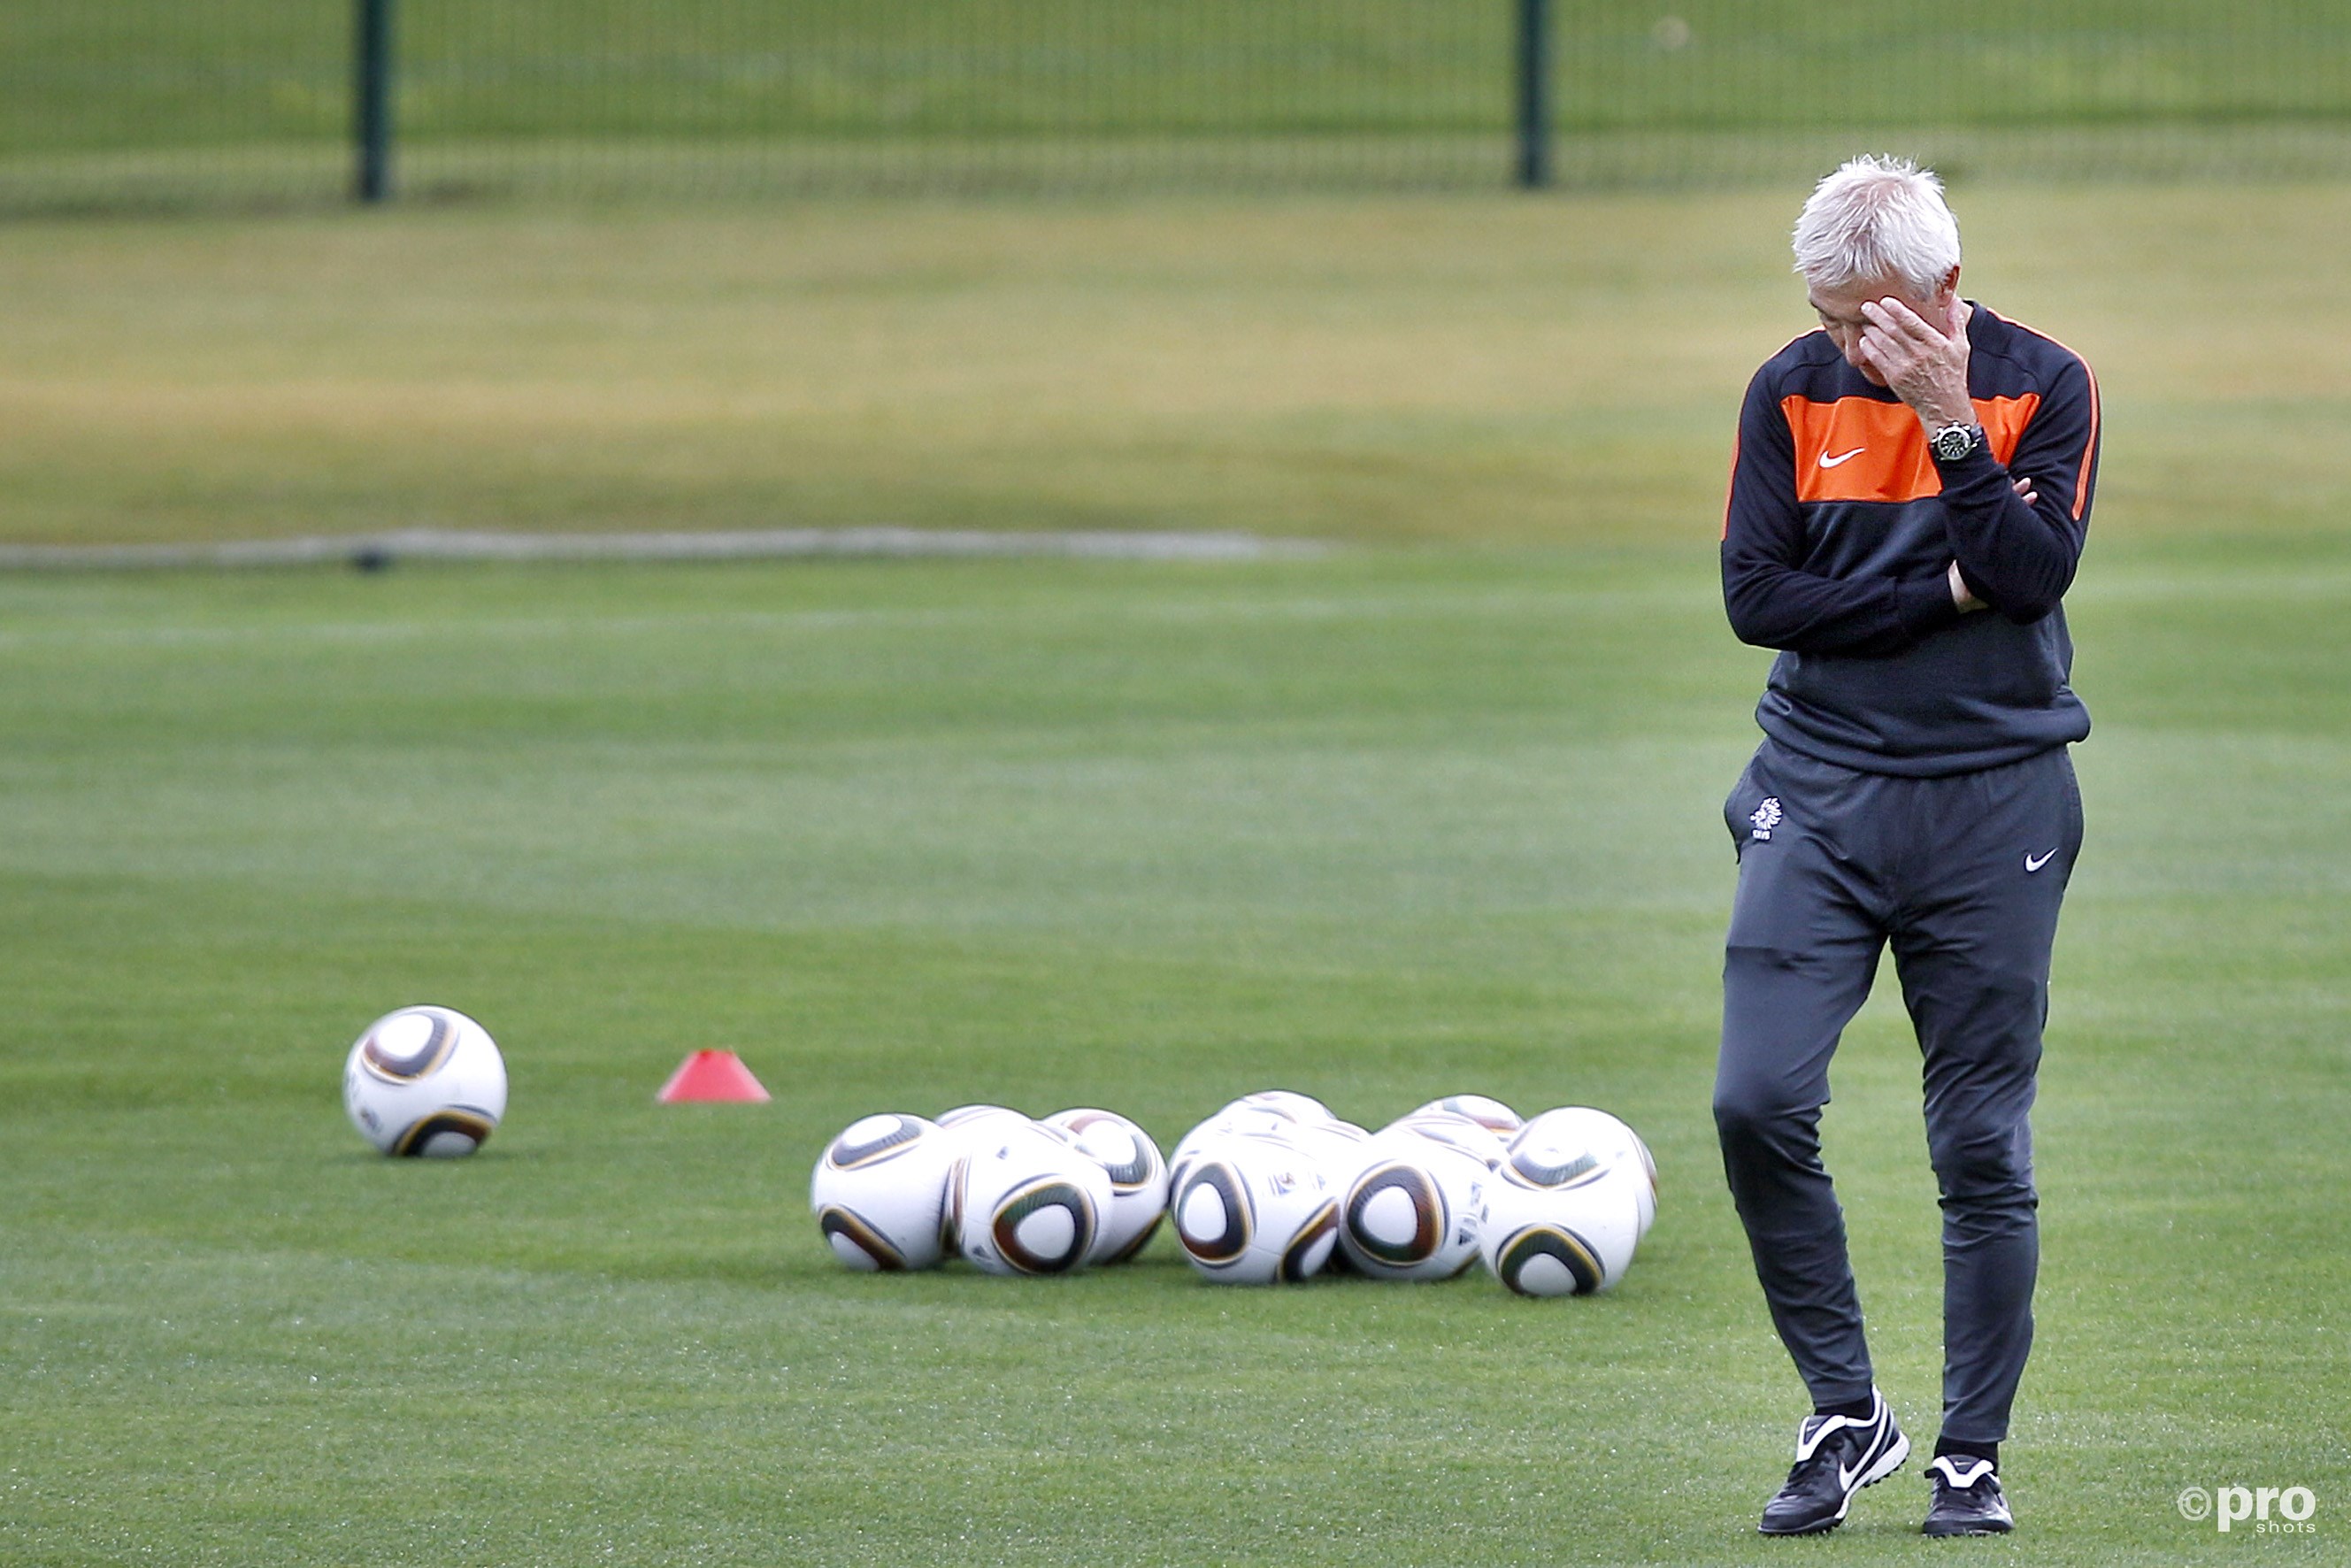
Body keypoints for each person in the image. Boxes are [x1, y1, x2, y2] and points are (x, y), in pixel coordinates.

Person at [1714, 153, 2101, 1538]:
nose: (1842, 347)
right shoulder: (1785, 390)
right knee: (1753, 1102)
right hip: (1814, 791)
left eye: (1867, 319)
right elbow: (1757, 598)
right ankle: (1843, 1411)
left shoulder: (2042, 383)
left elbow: (2033, 575)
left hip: (1995, 800)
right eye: (1826, 317)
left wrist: (1948, 427)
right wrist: (1938, 583)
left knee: (1978, 1144)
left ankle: (1968, 1456)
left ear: (1941, 290)